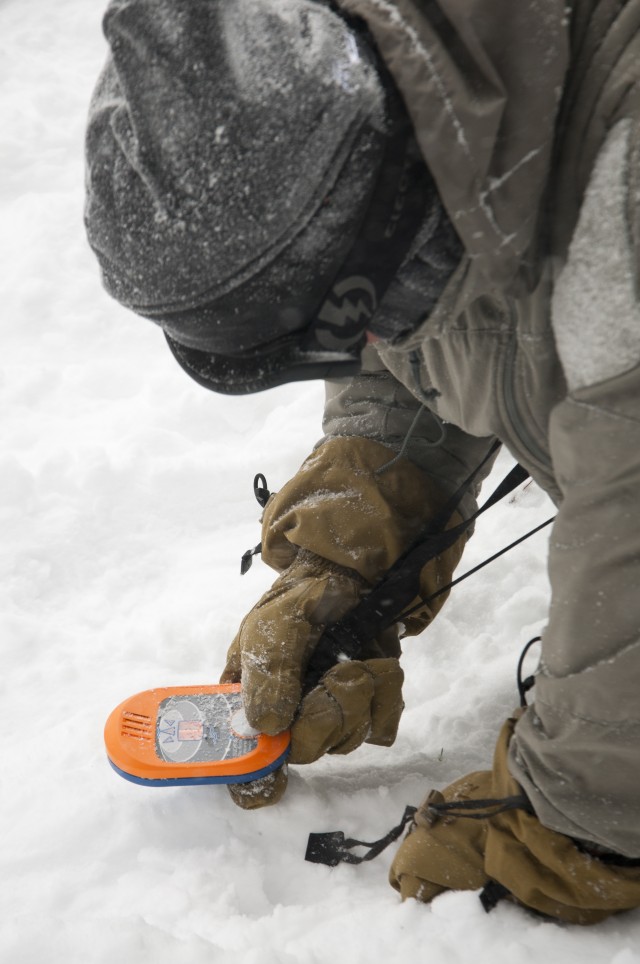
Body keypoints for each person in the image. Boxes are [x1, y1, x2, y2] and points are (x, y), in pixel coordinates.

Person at [84, 0, 640, 924]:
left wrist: (583, 813)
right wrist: (357, 544)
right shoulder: (406, 92)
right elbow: (426, 305)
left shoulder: (622, 216)